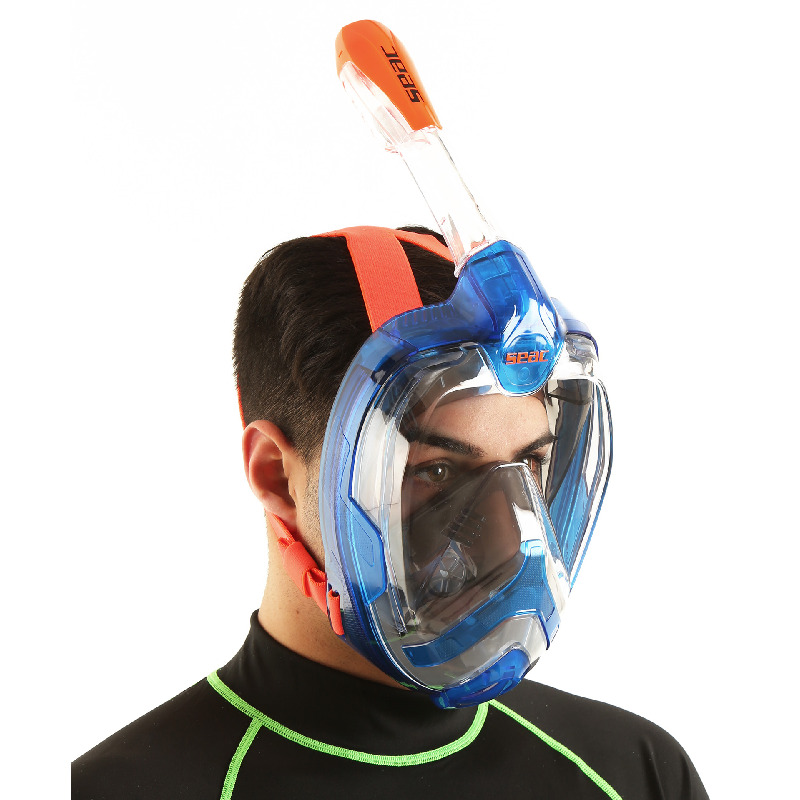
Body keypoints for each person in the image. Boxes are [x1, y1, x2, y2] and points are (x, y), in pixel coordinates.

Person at [72, 225, 708, 799]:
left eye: (531, 464)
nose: (512, 537)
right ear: (276, 475)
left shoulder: (635, 773)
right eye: (436, 471)